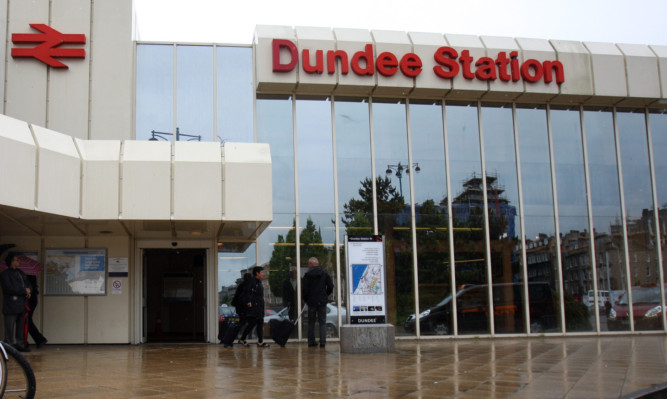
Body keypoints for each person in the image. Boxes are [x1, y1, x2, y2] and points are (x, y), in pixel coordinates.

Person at [0, 253, 32, 352]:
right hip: (10, 304)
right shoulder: (5, 274)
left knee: (20, 326)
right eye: (16, 260)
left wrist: (29, 290)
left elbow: (28, 284)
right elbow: (9, 288)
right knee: (10, 326)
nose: (18, 262)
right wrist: (24, 291)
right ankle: (9, 345)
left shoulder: (21, 273)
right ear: (11, 262)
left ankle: (20, 344)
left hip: (21, 303)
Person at [301, 257, 334, 348]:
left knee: (311, 322)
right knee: (322, 322)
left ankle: (311, 342)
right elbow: (331, 286)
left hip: (311, 301)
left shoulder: (307, 275)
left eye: (309, 264)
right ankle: (322, 341)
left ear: (311, 264)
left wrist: (305, 299)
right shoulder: (324, 274)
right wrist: (325, 295)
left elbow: (305, 289)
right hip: (322, 301)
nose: (308, 266)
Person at [237, 266, 269, 347]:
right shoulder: (252, 282)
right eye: (262, 272)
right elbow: (246, 292)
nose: (263, 274)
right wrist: (248, 302)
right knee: (252, 323)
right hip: (254, 307)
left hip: (259, 307)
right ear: (257, 273)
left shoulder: (259, 282)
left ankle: (260, 341)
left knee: (260, 324)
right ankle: (242, 339)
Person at [25, 274, 47, 348]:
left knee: (26, 320)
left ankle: (38, 339)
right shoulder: (31, 275)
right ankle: (38, 339)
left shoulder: (25, 276)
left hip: (28, 300)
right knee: (27, 320)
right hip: (32, 299)